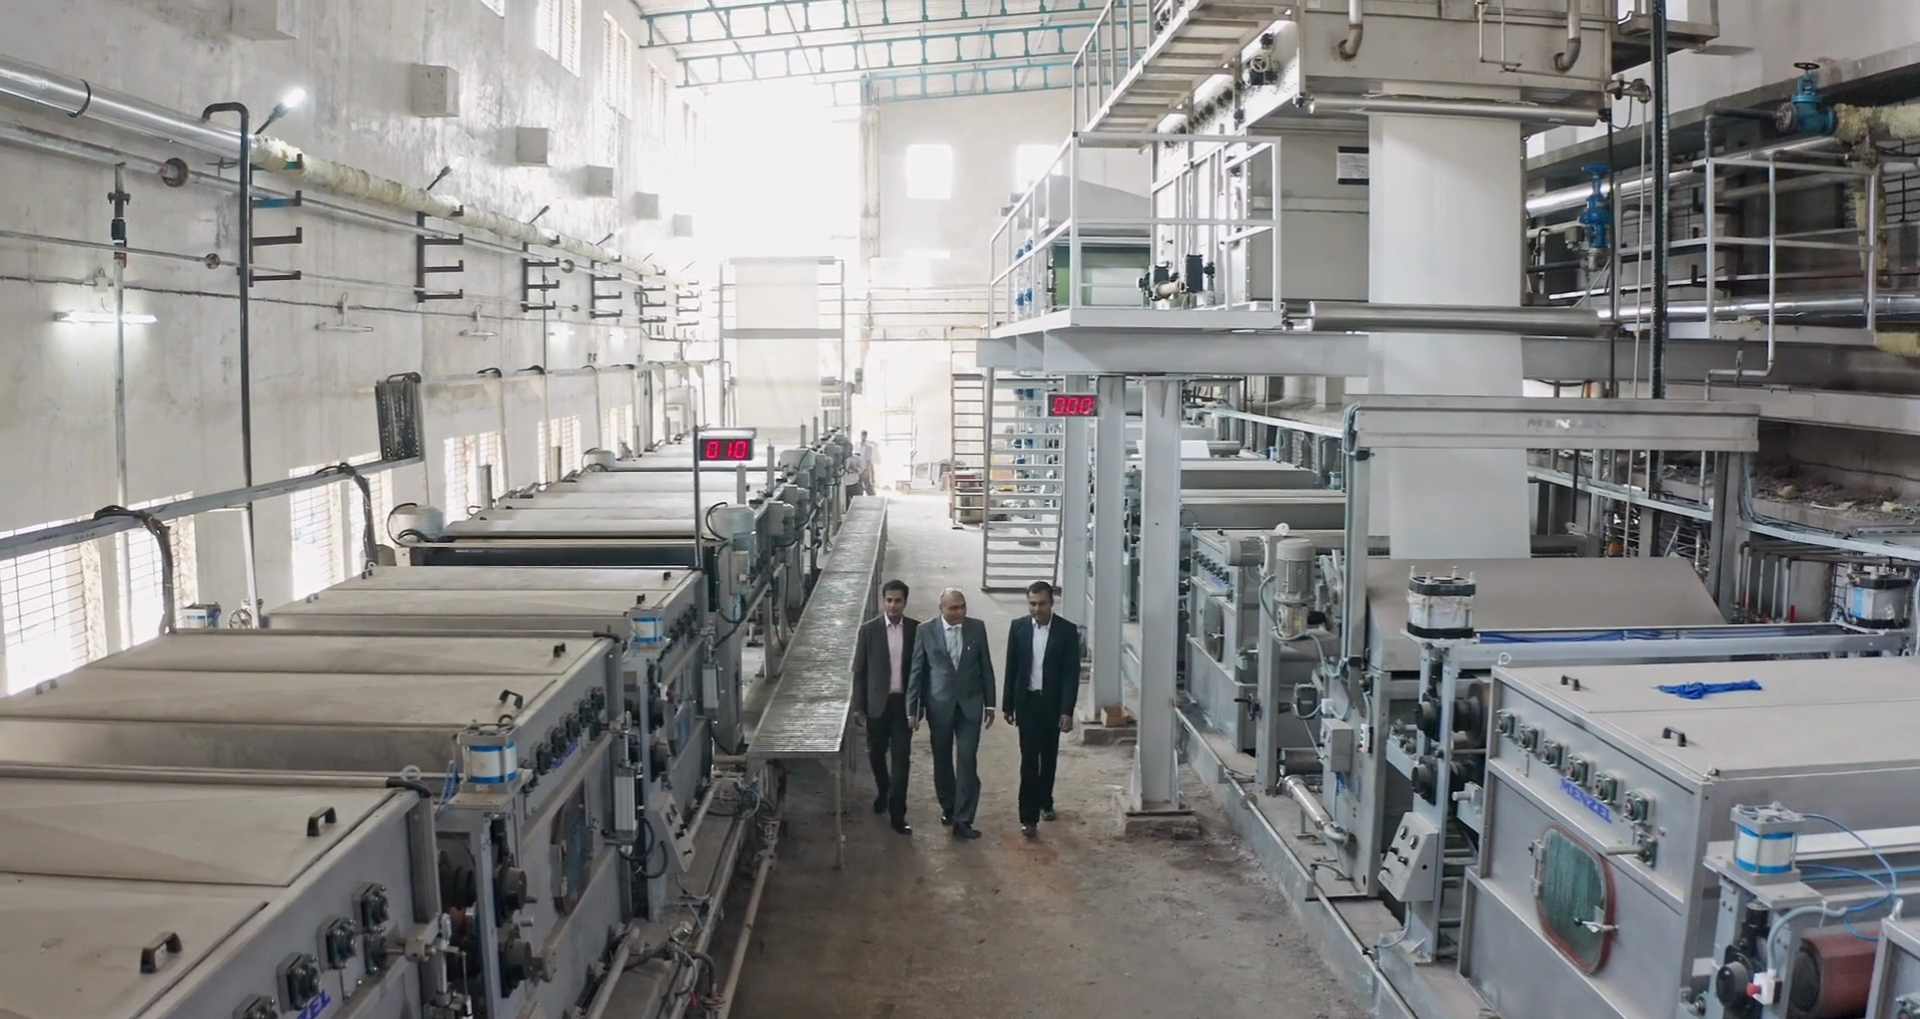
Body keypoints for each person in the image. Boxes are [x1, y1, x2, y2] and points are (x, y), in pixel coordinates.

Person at [908, 587, 996, 840]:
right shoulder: (925, 631)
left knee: (967, 761)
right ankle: (949, 807)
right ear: (941, 609)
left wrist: (990, 704)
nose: (959, 612)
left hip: (970, 705)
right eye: (953, 608)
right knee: (942, 759)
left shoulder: (976, 628)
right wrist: (912, 709)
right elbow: (917, 671)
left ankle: (964, 819)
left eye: (963, 606)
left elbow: (986, 667)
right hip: (940, 705)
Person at [1001, 580, 1080, 837]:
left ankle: (1046, 799)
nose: (1037, 609)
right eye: (1032, 604)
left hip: (1052, 704)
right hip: (1027, 703)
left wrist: (1067, 710)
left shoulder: (1067, 631)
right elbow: (1011, 667)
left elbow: (1071, 674)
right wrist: (1007, 704)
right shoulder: (1019, 628)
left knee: (1048, 757)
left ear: (1051, 602)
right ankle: (1028, 816)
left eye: (1042, 603)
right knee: (1028, 759)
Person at [850, 579, 919, 834]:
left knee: (901, 760)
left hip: (903, 706)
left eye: (897, 600)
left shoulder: (915, 630)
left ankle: (898, 814)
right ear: (882, 600)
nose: (892, 605)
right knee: (876, 754)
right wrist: (859, 707)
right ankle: (883, 789)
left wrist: (918, 707)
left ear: (905, 602)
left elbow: (920, 671)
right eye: (888, 600)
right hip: (877, 705)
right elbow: (859, 671)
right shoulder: (868, 631)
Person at [857, 430, 879, 496]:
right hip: (857, 468)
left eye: (864, 436)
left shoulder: (869, 447)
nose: (863, 437)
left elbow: (868, 460)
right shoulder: (856, 445)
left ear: (866, 436)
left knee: (867, 484)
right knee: (858, 484)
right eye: (862, 435)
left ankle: (872, 496)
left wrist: (867, 470)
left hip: (864, 467)